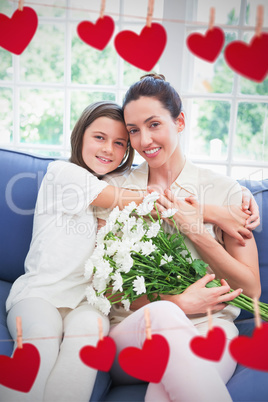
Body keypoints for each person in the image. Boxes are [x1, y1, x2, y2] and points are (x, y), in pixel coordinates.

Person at [98, 74, 261, 401]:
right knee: (166, 316)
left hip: (212, 327)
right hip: (136, 332)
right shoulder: (116, 189)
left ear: (180, 122)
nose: (144, 140)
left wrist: (195, 230)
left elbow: (252, 288)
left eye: (154, 124)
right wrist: (179, 302)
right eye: (133, 130)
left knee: (174, 386)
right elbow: (109, 289)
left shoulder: (224, 191)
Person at [2, 101, 146, 402]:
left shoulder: (117, 184)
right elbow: (119, 198)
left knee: (87, 341)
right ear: (80, 136)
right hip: (40, 294)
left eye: (120, 143)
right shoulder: (63, 174)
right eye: (99, 137)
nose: (108, 149)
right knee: (40, 338)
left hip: (88, 302)